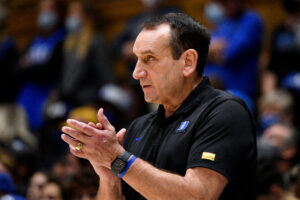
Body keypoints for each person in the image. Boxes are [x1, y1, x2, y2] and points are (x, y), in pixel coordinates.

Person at [61, 13, 257, 200]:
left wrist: (117, 159)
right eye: (136, 60)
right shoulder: (138, 127)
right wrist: (108, 174)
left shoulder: (225, 112)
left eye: (149, 59)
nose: (136, 73)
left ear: (188, 62)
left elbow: (199, 195)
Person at [204, 0, 263, 99]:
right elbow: (201, 51)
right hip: (211, 91)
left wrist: (210, 52)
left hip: (238, 93)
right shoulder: (224, 22)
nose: (226, 5)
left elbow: (229, 54)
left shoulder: (251, 20)